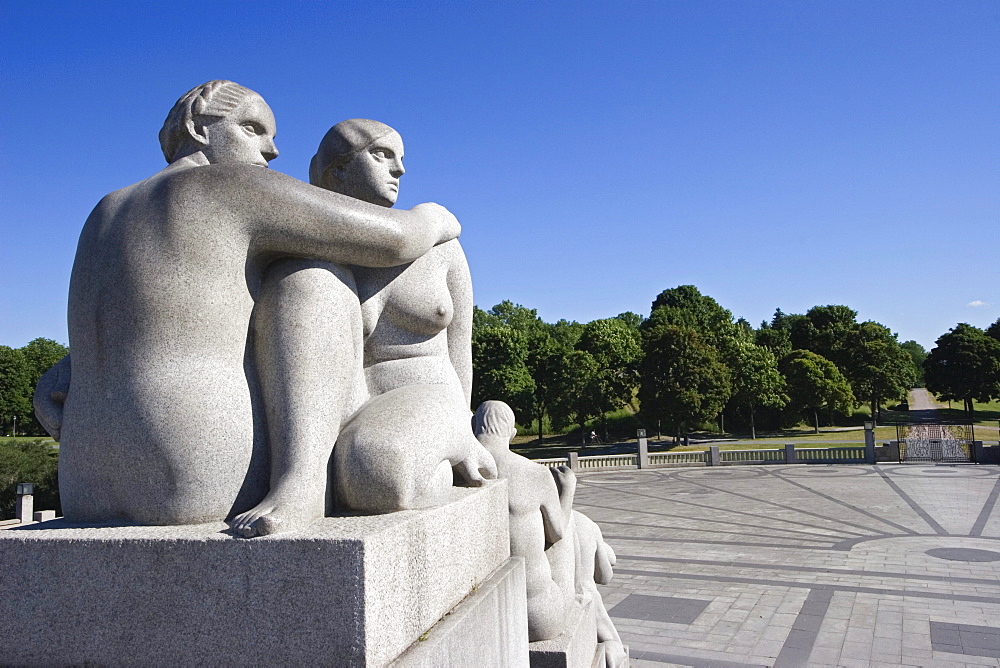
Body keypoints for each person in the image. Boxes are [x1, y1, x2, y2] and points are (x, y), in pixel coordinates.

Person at [46, 81, 461, 526]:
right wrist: (433, 216)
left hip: (82, 478)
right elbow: (397, 240)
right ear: (197, 128)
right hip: (192, 466)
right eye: (252, 128)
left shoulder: (105, 209)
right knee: (313, 278)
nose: (272, 151)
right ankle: (302, 483)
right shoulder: (227, 184)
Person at [231, 119, 494, 536]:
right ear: (337, 169)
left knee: (374, 471)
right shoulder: (299, 244)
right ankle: (305, 480)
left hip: (426, 398)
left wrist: (463, 431)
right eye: (381, 154)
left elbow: (462, 349)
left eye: (401, 158)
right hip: (343, 408)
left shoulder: (441, 248)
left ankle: (425, 462)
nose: (400, 170)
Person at [472, 400, 573, 641]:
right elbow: (557, 533)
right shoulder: (535, 473)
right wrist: (568, 489)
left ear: (474, 426)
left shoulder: (460, 473)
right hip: (536, 613)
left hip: (476, 615)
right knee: (564, 535)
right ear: (513, 434)